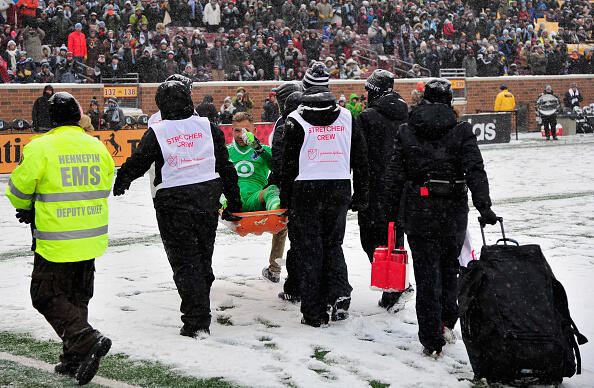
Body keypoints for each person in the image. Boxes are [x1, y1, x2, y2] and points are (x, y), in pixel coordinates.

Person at [112, 80, 242, 338]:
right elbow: (226, 168)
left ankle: (196, 319)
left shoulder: (158, 131)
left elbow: (139, 162)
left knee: (184, 262)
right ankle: (201, 302)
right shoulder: (209, 127)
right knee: (203, 256)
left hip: (173, 200)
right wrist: (234, 203)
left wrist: (122, 179)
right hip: (207, 196)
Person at [5, 92, 114, 385]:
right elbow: (104, 185)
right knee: (77, 297)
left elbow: (16, 190)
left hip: (56, 239)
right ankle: (74, 358)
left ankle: (85, 339)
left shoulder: (40, 147)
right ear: (79, 116)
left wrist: (30, 207)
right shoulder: (96, 146)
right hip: (90, 237)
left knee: (45, 295)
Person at [384, 78, 497, 357]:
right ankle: (446, 322)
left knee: (426, 277)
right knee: (449, 271)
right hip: (452, 211)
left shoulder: (407, 130)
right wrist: (484, 206)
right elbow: (475, 170)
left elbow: (395, 174)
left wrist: (388, 211)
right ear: (448, 101)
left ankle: (431, 338)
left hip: (419, 210)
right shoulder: (461, 131)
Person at [280, 63, 369, 326]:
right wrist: (361, 193)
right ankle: (339, 291)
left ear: (305, 88)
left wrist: (285, 201)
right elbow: (362, 160)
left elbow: (288, 166)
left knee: (310, 250)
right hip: (339, 186)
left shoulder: (295, 120)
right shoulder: (347, 117)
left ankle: (314, 311)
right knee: (333, 245)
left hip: (305, 188)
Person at [356, 70, 410, 311]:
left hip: (375, 186)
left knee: (371, 240)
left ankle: (394, 286)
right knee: (395, 239)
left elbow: (359, 156)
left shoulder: (368, 118)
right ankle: (396, 285)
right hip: (400, 186)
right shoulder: (406, 114)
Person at [225, 112, 287, 284]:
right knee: (217, 190)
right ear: (231, 130)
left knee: (274, 192)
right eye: (237, 131)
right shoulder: (225, 151)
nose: (241, 135)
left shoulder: (263, 150)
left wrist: (258, 148)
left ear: (254, 129)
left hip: (256, 199)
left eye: (245, 130)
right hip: (231, 201)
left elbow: (277, 167)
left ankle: (274, 269)